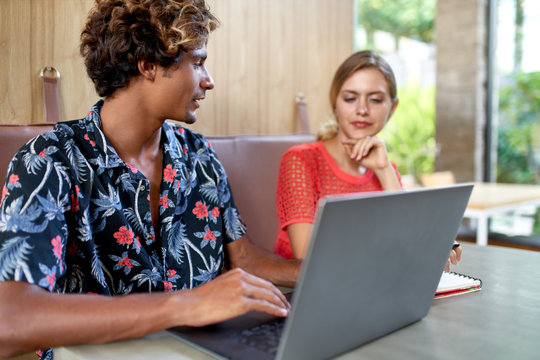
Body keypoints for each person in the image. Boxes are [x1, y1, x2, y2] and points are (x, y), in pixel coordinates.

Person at [0, 1, 299, 358]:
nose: (209, 80)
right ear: (149, 65)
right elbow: (11, 320)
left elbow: (246, 258)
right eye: (199, 61)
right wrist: (187, 304)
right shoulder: (49, 160)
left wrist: (327, 273)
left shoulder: (197, 153)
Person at [274, 50, 462, 269]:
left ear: (392, 108)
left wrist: (383, 170)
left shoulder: (386, 167)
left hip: (374, 284)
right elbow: (306, 257)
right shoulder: (301, 161)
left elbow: (408, 240)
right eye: (350, 98)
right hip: (299, 294)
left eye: (375, 99)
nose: (362, 110)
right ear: (335, 103)